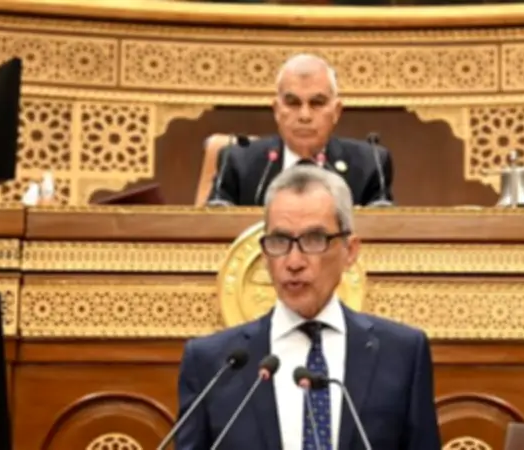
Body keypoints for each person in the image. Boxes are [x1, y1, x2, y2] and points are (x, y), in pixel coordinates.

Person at [176, 165, 440, 450]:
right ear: (264, 254)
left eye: (314, 240)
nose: (293, 262)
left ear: (350, 251)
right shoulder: (212, 363)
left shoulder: (402, 353)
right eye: (280, 241)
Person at [207, 53, 395, 207]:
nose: (304, 115)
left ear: (336, 111)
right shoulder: (238, 163)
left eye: (317, 103)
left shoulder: (370, 165)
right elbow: (213, 227)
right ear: (277, 110)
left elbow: (382, 233)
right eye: (293, 103)